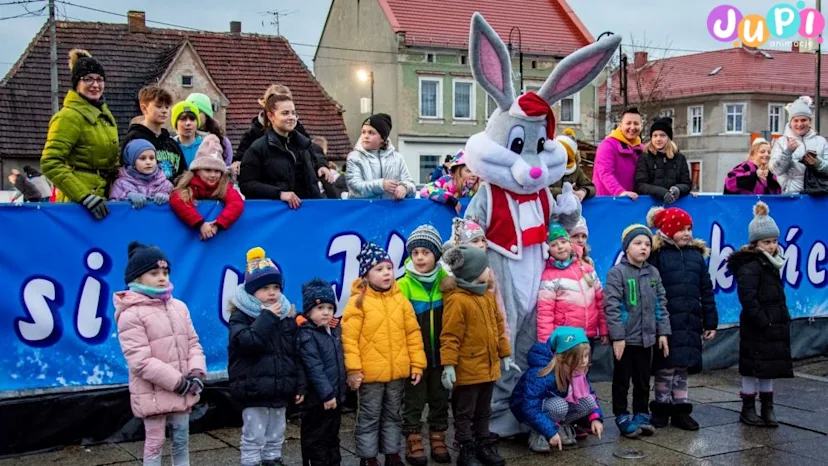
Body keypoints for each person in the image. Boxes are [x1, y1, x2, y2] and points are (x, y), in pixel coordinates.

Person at [114, 242, 206, 466]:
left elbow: (193, 343)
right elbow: (140, 361)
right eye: (154, 273)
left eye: (165, 272)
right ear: (137, 278)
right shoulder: (131, 314)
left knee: (181, 440)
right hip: (153, 392)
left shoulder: (179, 307)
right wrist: (178, 383)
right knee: (155, 444)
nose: (162, 278)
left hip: (184, 389)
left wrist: (196, 372)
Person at [341, 242, 427, 466]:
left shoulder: (400, 300)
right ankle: (368, 457)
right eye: (379, 269)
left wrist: (417, 364)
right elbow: (349, 340)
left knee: (392, 414)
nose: (387, 273)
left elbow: (413, 333)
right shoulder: (357, 303)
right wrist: (353, 370)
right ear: (366, 275)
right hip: (370, 375)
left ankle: (392, 453)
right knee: (369, 416)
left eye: (389, 268)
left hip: (397, 373)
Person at [227, 247, 304, 466]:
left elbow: (295, 353)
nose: (272, 293)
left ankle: (273, 460)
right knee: (254, 435)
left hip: (280, 388)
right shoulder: (241, 316)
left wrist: (299, 385)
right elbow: (248, 343)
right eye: (265, 288)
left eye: (276, 287)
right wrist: (267, 317)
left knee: (276, 433)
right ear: (251, 291)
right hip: (254, 389)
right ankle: (251, 462)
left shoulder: (286, 315)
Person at [440, 245, 516, 466]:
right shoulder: (457, 300)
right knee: (465, 411)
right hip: (468, 367)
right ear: (473, 272)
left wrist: (505, 354)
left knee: (484, 409)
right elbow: (450, 336)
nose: (489, 270)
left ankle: (483, 443)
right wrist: (449, 365)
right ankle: (466, 447)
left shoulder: (486, 296)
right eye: (485, 267)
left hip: (488, 366)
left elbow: (498, 327)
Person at [646, 207, 718, 431]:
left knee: (683, 367)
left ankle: (680, 409)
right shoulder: (658, 256)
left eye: (689, 229)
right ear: (668, 230)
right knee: (666, 367)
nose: (687, 233)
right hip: (667, 323)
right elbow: (651, 291)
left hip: (690, 320)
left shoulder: (696, 256)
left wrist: (710, 321)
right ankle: (661, 407)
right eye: (681, 229)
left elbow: (706, 290)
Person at [727, 202, 792, 428]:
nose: (772, 246)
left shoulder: (772, 264)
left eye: (774, 241)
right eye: (767, 242)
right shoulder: (750, 266)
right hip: (757, 325)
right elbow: (748, 298)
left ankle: (767, 406)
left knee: (768, 367)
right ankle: (748, 407)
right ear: (755, 243)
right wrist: (764, 321)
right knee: (751, 366)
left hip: (772, 323)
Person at [604, 224, 671, 438]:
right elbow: (612, 307)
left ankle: (641, 413)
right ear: (626, 248)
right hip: (625, 340)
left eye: (647, 244)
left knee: (642, 379)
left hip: (647, 339)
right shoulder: (617, 273)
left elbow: (660, 303)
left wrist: (662, 333)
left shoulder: (653, 273)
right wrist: (618, 337)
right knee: (622, 379)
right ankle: (621, 414)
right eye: (638, 243)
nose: (643, 248)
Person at [41, 49, 119, 220]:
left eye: (99, 79)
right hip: (78, 204)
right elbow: (50, 163)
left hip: (106, 198)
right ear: (77, 83)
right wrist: (84, 196)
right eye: (88, 79)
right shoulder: (68, 117)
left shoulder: (105, 116)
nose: (95, 85)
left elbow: (113, 161)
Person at [397, 225, 452, 465]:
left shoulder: (446, 281)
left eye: (426, 252)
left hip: (441, 355)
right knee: (413, 400)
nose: (419, 257)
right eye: (415, 252)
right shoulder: (403, 285)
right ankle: (413, 438)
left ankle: (438, 436)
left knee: (440, 398)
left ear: (436, 255)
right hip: (415, 358)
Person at [510, 327, 604, 452]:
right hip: (530, 411)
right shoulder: (542, 372)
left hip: (554, 406)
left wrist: (595, 418)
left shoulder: (577, 369)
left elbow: (590, 393)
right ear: (563, 357)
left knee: (588, 402)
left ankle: (559, 426)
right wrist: (550, 431)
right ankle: (538, 432)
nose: (584, 361)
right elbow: (530, 406)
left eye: (586, 356)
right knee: (559, 406)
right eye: (577, 357)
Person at [239, 93, 333, 208]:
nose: (291, 117)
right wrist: (279, 194)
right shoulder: (258, 148)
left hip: (308, 210)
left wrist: (321, 166)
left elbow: (317, 156)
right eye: (285, 113)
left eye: (293, 113)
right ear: (271, 116)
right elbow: (246, 184)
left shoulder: (304, 144)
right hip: (278, 213)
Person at [297, 278, 346, 466]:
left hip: (335, 397)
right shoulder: (307, 334)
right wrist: (327, 394)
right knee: (317, 439)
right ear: (308, 311)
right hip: (318, 400)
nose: (326, 312)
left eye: (330, 308)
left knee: (332, 436)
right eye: (320, 308)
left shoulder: (333, 331)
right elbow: (314, 367)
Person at [537, 222, 608, 346]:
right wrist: (546, 343)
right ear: (548, 249)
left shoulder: (587, 269)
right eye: (554, 244)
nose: (560, 247)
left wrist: (604, 329)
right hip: (567, 338)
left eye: (563, 242)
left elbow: (600, 301)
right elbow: (545, 313)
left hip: (590, 334)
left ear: (570, 244)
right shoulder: (549, 276)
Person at [170, 135, 244, 241]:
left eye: (217, 171)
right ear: (197, 170)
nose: (213, 175)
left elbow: (236, 203)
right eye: (208, 170)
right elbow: (177, 199)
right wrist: (199, 223)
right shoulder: (190, 185)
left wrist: (218, 223)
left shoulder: (223, 186)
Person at [120, 85, 187, 183]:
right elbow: (125, 173)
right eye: (159, 106)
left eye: (167, 107)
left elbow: (183, 173)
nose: (164, 111)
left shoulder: (172, 143)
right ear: (144, 108)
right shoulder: (134, 139)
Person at [345, 114, 416, 200]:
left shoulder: (397, 158)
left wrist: (405, 188)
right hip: (363, 208)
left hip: (390, 208)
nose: (366, 136)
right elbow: (355, 187)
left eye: (371, 133)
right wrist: (381, 185)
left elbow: (411, 185)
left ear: (382, 138)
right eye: (363, 132)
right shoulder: (355, 157)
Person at [770, 96, 828, 194]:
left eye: (803, 120)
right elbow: (776, 171)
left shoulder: (821, 141)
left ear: (810, 121)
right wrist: (787, 152)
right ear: (790, 122)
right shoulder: (781, 142)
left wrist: (818, 163)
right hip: (791, 194)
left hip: (818, 194)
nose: (800, 124)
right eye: (796, 120)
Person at [634, 118, 692, 204]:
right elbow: (640, 185)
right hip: (650, 205)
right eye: (655, 135)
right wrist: (660, 192)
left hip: (675, 204)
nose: (658, 139)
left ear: (668, 137)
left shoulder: (679, 158)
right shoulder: (645, 157)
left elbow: (687, 184)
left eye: (662, 135)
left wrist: (678, 189)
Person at [593, 107, 644, 199]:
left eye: (636, 123)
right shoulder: (607, 145)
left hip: (633, 201)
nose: (632, 127)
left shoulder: (642, 148)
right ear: (620, 125)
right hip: (609, 201)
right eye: (628, 123)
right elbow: (605, 173)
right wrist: (620, 192)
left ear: (641, 126)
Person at [109, 139, 174, 209]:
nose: (148, 162)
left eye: (152, 158)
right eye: (142, 158)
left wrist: (168, 198)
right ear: (132, 161)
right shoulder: (121, 184)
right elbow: (114, 208)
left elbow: (177, 202)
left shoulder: (165, 184)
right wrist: (127, 197)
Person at [186, 92, 234, 166]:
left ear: (206, 114)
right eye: (190, 113)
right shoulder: (182, 140)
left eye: (198, 111)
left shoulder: (222, 141)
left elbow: (226, 166)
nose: (194, 116)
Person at [549, 129, 595, 202]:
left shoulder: (575, 169)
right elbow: (540, 189)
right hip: (549, 205)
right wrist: (563, 191)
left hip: (569, 206)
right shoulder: (547, 166)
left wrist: (583, 191)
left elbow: (591, 186)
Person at [171, 101, 203, 167]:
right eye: (183, 119)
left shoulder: (205, 146)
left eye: (192, 119)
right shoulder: (170, 148)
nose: (188, 123)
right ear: (176, 123)